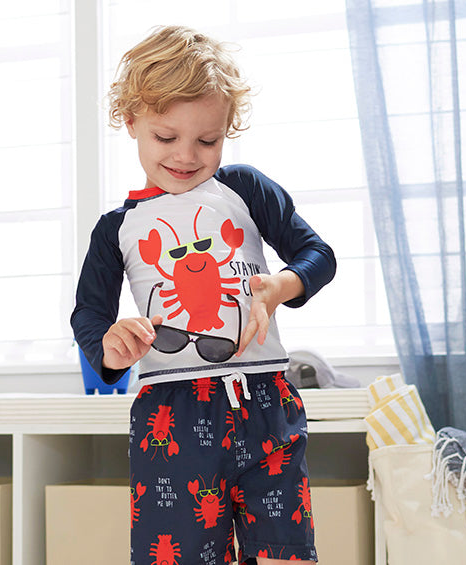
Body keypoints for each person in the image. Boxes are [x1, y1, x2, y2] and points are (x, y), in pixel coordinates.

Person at [71, 25, 336, 565]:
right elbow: (89, 317)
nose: (187, 156)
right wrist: (109, 344)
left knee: (286, 555)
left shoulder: (244, 189)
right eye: (166, 138)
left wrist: (279, 289)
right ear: (132, 123)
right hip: (171, 416)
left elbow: (318, 256)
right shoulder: (116, 228)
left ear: (225, 132)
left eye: (207, 141)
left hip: (266, 402)